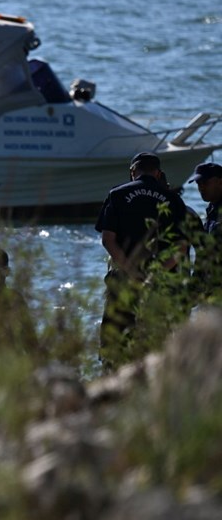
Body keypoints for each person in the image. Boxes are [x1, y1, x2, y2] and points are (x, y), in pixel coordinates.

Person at [94, 152, 187, 369]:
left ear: (132, 172)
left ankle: (113, 381)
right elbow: (181, 247)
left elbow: (108, 240)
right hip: (159, 284)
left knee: (115, 344)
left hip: (123, 280)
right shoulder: (174, 199)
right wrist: (154, 275)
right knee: (156, 346)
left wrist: (131, 271)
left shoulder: (117, 195)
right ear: (158, 173)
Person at [189, 162, 222, 302]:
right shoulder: (212, 208)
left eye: (205, 183)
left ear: (220, 182)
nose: (201, 188)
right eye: (198, 184)